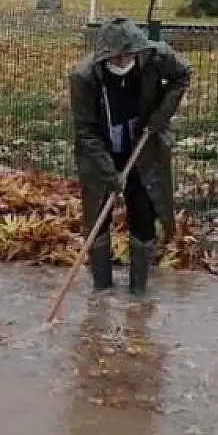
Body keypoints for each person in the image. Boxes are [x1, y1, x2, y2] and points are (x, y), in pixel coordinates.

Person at [69, 16, 190, 296]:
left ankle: (138, 291)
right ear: (105, 54)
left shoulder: (157, 57)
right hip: (100, 149)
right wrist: (107, 171)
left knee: (143, 210)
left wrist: (161, 116)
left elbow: (182, 76)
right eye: (117, 55)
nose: (124, 60)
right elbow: (85, 130)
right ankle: (102, 289)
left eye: (129, 53)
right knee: (97, 214)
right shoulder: (84, 77)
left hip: (143, 145)